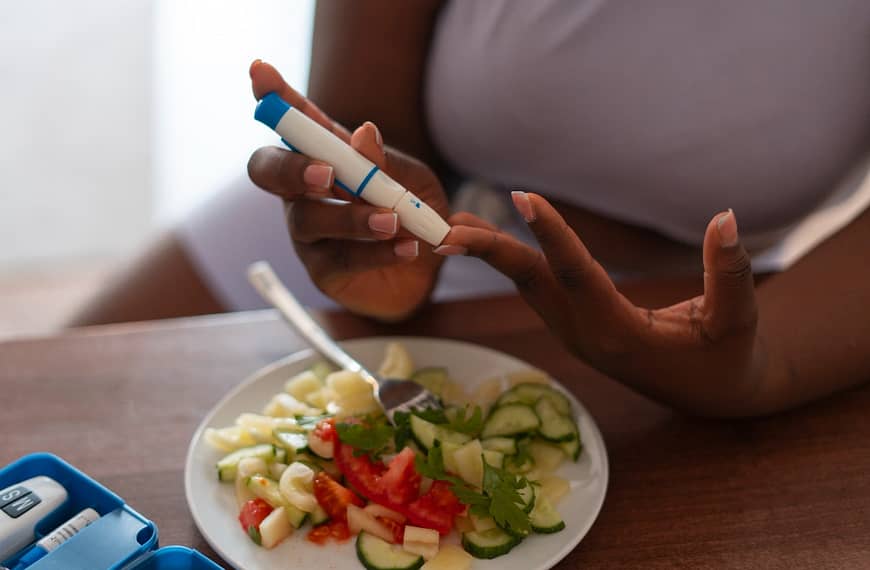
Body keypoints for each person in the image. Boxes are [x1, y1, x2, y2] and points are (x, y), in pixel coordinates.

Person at [72, 1, 870, 417]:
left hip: (710, 303)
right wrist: (373, 232)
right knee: (55, 419)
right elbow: (360, 143)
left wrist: (758, 371)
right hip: (399, 232)